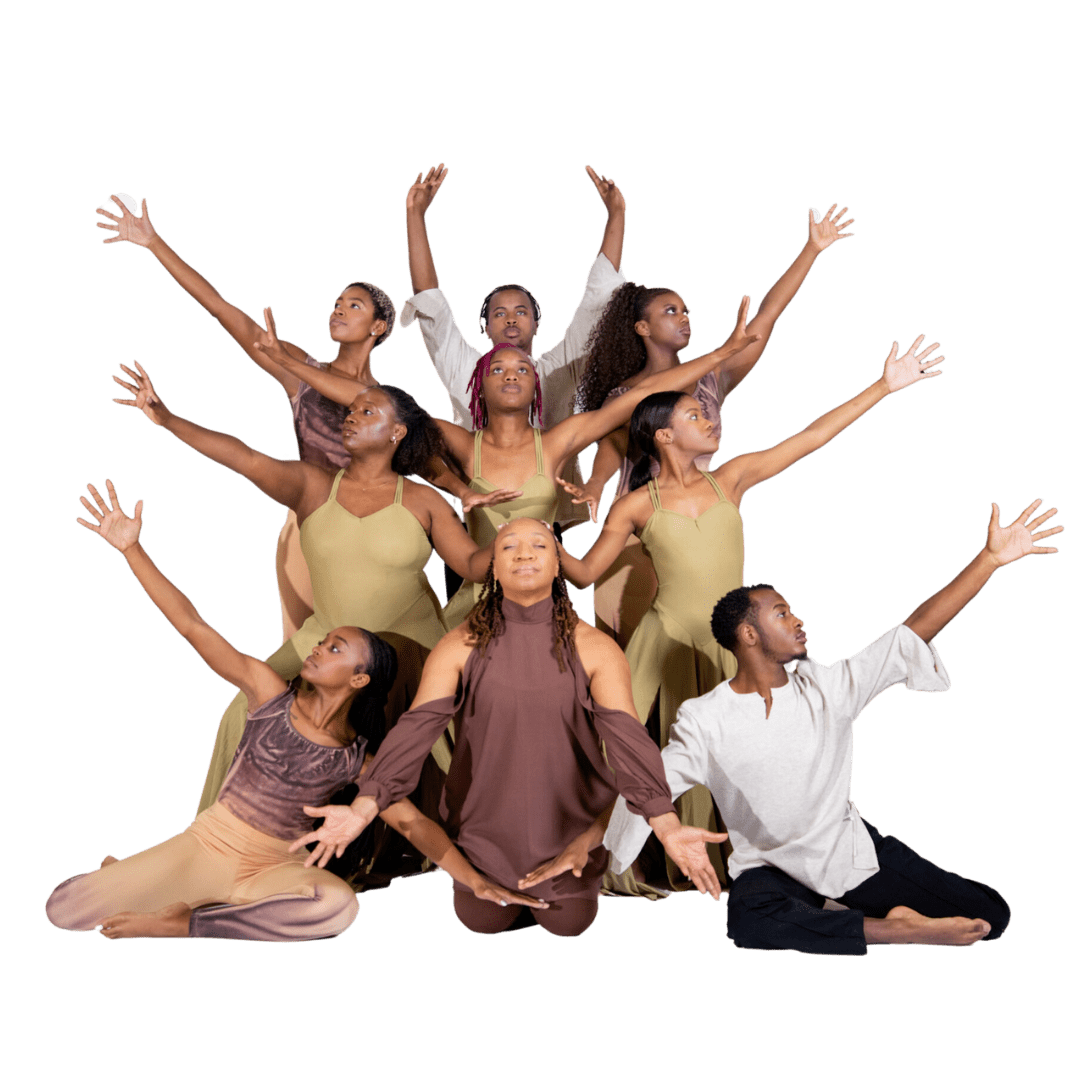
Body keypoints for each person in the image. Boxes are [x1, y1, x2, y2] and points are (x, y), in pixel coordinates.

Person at [45, 480, 545, 942]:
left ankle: (188, 920)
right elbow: (193, 626)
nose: (316, 649)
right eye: (323, 641)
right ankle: (155, 882)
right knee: (63, 909)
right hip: (207, 847)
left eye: (335, 649)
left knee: (336, 908)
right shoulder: (268, 695)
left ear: (359, 679)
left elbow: (414, 826)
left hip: (271, 871)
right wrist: (132, 549)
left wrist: (474, 881)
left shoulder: (357, 759)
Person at [559, 334, 946, 893]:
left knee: (740, 753)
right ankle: (609, 860)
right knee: (629, 747)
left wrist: (883, 385)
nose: (711, 420)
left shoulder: (731, 478)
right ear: (664, 434)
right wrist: (540, 547)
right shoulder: (636, 504)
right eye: (696, 414)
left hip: (732, 642)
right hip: (664, 638)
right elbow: (587, 573)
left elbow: (812, 438)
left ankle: (741, 859)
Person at [605, 498, 1063, 954]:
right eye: (781, 613)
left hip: (849, 856)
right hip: (769, 866)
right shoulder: (705, 718)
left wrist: (989, 559)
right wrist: (656, 832)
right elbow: (650, 784)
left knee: (991, 916)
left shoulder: (829, 687)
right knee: (747, 923)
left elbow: (912, 632)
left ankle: (844, 913)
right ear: (747, 635)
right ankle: (889, 929)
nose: (798, 620)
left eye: (793, 610)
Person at [109, 362, 495, 849]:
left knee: (435, 713)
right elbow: (244, 458)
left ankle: (470, 834)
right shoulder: (315, 486)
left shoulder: (422, 500)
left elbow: (473, 564)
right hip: (326, 634)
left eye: (366, 410)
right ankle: (208, 842)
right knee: (237, 712)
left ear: (397, 432)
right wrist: (166, 418)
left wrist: (517, 537)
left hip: (409, 639)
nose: (350, 417)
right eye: (350, 411)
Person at [286, 518, 727, 939]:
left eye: (539, 545)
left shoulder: (595, 648)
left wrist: (666, 824)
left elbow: (629, 741)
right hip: (483, 830)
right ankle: (490, 876)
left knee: (570, 923)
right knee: (480, 920)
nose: (524, 554)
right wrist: (364, 807)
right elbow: (415, 730)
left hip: (568, 830)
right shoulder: (459, 644)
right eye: (508, 546)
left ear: (558, 565)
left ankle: (569, 871)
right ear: (493, 567)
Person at [259, 299, 763, 628]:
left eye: (522, 367)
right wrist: (291, 364)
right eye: (496, 368)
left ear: (535, 385)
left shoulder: (559, 439)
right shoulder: (460, 441)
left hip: (544, 596)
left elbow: (643, 395)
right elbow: (368, 394)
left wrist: (724, 352)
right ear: (479, 386)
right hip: (475, 598)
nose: (510, 373)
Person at [93, 192, 398, 641]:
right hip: (311, 521)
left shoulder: (388, 402)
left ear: (379, 327)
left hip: (374, 529)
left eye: (354, 305)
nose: (338, 308)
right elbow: (222, 309)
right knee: (306, 651)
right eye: (336, 301)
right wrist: (154, 243)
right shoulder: (302, 371)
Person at [570, 204, 856, 645]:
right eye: (671, 311)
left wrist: (812, 249)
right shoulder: (625, 395)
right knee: (636, 654)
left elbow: (766, 316)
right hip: (639, 529)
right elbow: (612, 445)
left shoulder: (710, 381)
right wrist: (594, 482)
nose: (684, 318)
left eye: (687, 311)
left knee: (710, 641)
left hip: (704, 520)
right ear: (641, 327)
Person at [401, 163, 628, 530]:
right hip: (477, 518)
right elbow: (430, 300)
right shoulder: (468, 370)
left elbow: (596, 300)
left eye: (521, 312)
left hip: (546, 521)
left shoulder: (557, 370)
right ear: (486, 326)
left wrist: (616, 213)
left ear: (537, 323)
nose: (510, 319)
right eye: (499, 313)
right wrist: (415, 215)